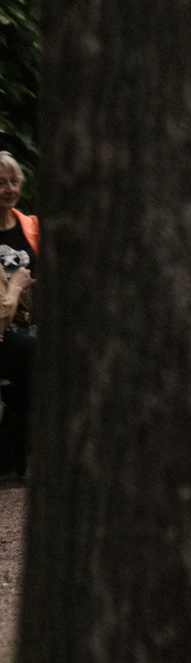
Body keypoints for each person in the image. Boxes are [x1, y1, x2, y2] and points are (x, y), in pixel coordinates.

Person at [0, 152, 39, 484]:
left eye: (13, 181)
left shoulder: (29, 225)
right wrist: (14, 287)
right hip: (2, 325)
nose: (8, 188)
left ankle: (16, 457)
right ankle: (15, 455)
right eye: (0, 182)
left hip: (25, 323)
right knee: (34, 356)